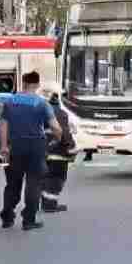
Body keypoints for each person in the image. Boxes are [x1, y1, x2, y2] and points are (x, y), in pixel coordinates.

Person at [0, 71, 63, 231]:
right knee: (34, 183)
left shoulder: (10, 102)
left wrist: (4, 146)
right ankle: (29, 220)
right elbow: (56, 127)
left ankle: (7, 216)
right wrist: (57, 138)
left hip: (16, 146)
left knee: (13, 183)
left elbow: (3, 125)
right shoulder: (41, 103)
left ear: (23, 83)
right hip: (36, 147)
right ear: (37, 84)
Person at [39, 83, 76, 213]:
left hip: (39, 152)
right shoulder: (59, 113)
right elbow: (64, 133)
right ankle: (50, 204)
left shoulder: (36, 110)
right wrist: (71, 147)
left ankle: (44, 203)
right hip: (57, 152)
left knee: (43, 179)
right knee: (56, 179)